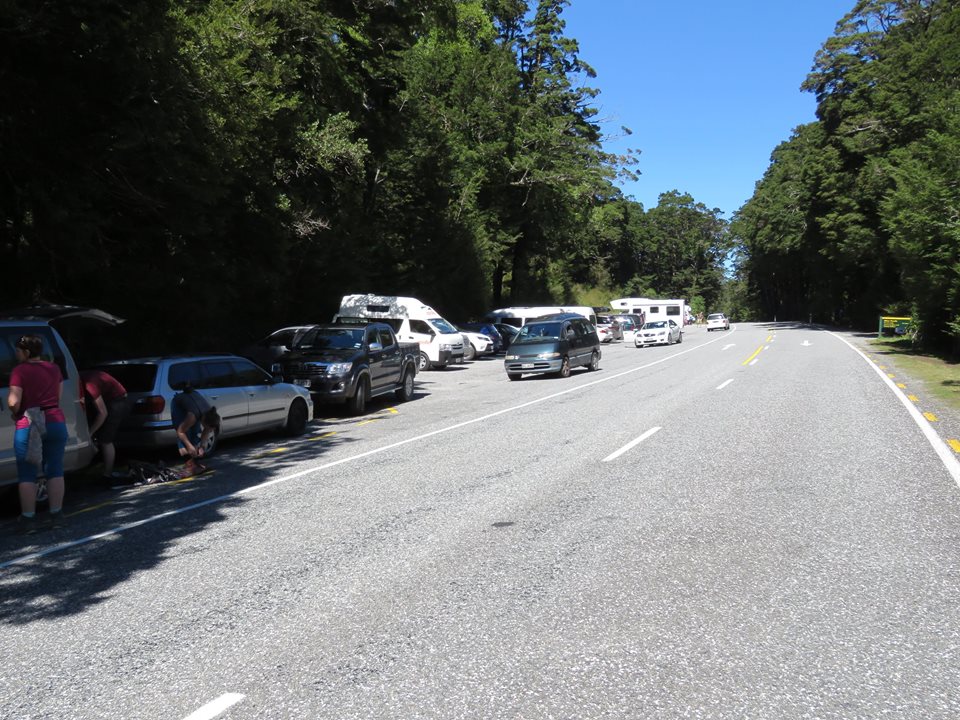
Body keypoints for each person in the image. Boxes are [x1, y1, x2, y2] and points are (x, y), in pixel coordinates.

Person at [7, 334, 69, 532]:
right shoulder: (54, 368)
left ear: (25, 352)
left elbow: (13, 401)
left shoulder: (20, 370)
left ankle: (28, 520)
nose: (16, 354)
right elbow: (58, 397)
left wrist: (15, 412)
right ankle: (57, 516)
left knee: (27, 473)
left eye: (17, 351)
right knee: (55, 469)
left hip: (30, 422)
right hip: (55, 421)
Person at [80, 369, 131, 480]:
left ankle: (107, 474)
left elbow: (103, 413)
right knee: (97, 434)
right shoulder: (80, 381)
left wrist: (89, 433)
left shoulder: (89, 385)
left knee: (105, 439)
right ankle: (95, 467)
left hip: (117, 400)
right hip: (107, 399)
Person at [171, 387, 220, 461]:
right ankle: (186, 456)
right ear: (204, 422)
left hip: (193, 403)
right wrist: (189, 446)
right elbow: (180, 432)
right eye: (209, 428)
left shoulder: (210, 414)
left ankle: (193, 456)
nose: (209, 431)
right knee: (186, 433)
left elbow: (206, 430)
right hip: (178, 404)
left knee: (196, 432)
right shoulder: (192, 416)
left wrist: (202, 446)